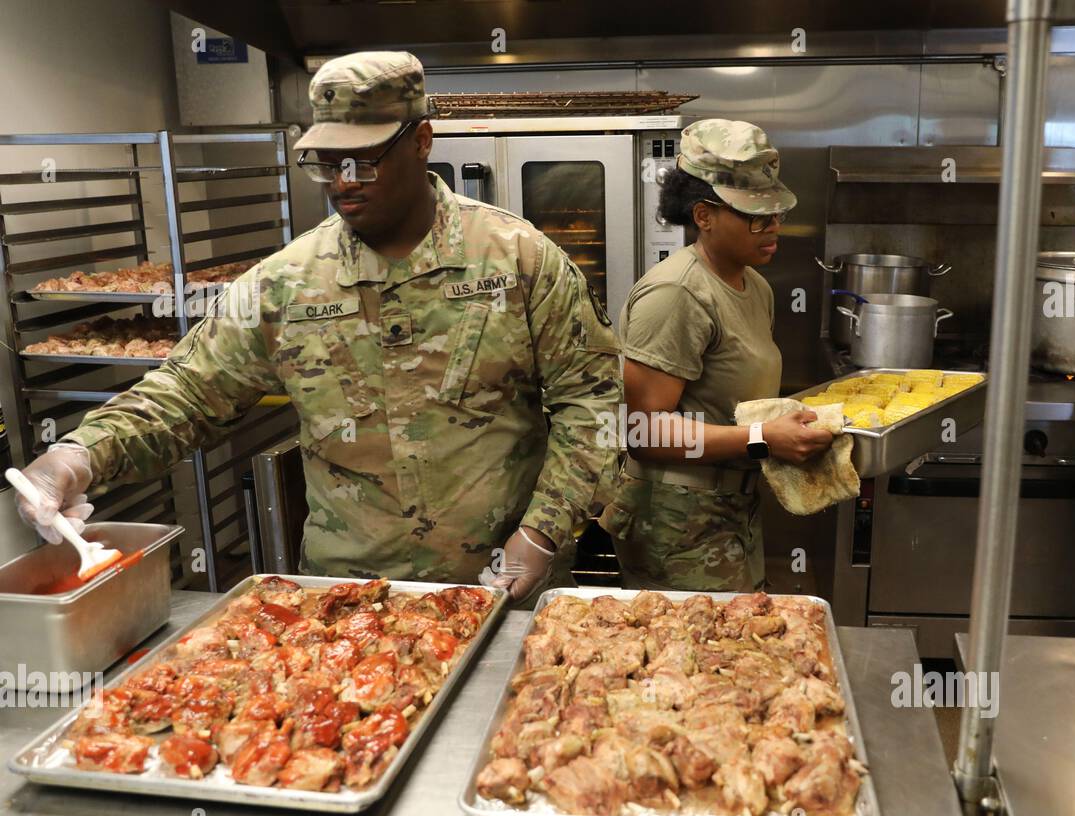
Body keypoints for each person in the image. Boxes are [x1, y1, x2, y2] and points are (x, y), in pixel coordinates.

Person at [14, 51, 621, 603]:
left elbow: (592, 403)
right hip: (351, 597)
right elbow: (189, 393)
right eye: (327, 164)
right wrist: (76, 456)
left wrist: (542, 534)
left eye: (365, 160)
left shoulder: (518, 261)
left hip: (501, 583)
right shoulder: (285, 284)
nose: (345, 182)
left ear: (422, 141)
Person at [599, 119, 833, 591]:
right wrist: (763, 439)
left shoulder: (756, 286)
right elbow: (641, 431)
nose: (773, 227)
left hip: (729, 512)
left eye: (776, 214)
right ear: (703, 216)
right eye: (755, 215)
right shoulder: (677, 294)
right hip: (676, 524)